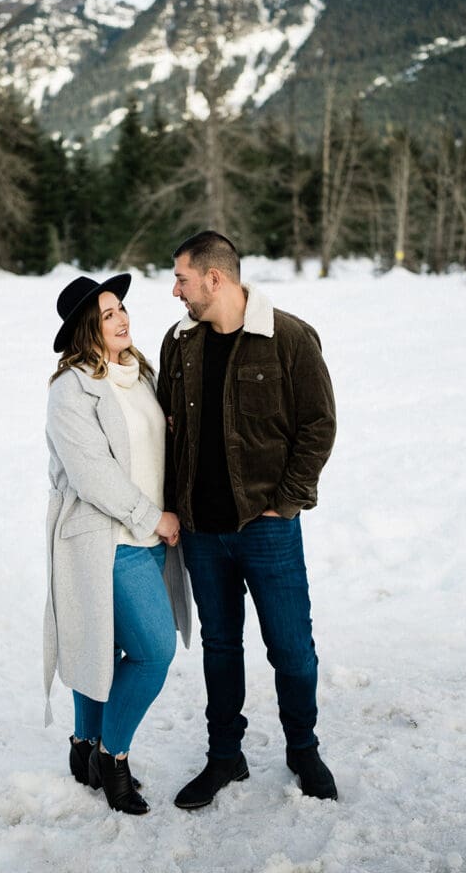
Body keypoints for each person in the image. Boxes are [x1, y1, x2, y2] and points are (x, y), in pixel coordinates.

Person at [157, 231, 338, 809]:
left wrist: (286, 500)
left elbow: (318, 425)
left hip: (267, 529)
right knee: (220, 646)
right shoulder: (179, 342)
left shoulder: (287, 337)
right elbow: (168, 430)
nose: (176, 290)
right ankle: (224, 757)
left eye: (182, 278)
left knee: (290, 648)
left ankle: (303, 749)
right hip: (202, 533)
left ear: (216, 278)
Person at [43, 273, 191, 815]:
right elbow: (93, 475)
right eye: (107, 314)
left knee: (103, 646)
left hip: (151, 536)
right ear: (88, 327)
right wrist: (154, 518)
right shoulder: (70, 390)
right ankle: (113, 755)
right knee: (152, 651)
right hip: (108, 539)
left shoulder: (139, 375)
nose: (122, 318)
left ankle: (84, 745)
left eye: (122, 307)